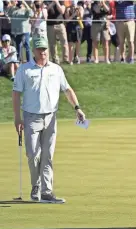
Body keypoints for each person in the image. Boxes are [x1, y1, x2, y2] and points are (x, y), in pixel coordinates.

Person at [12, 36, 87, 203]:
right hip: (31, 117)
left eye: (45, 49)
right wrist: (17, 118)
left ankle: (46, 191)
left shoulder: (56, 69)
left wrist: (77, 108)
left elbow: (67, 89)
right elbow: (16, 94)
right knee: (33, 154)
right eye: (39, 49)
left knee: (48, 155)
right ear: (34, 51)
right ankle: (36, 186)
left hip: (51, 117)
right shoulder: (24, 70)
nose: (43, 52)